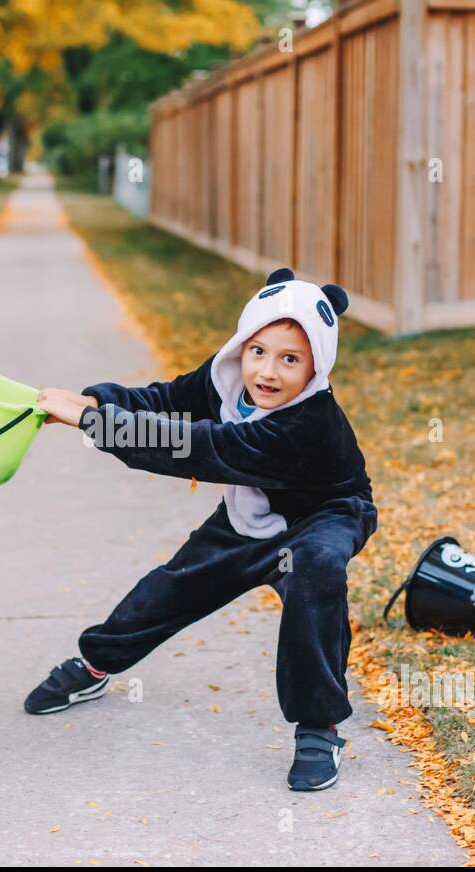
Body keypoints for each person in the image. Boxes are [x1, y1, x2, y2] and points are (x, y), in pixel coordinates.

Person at [30, 268, 377, 791]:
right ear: (243, 342)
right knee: (173, 587)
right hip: (250, 513)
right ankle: (96, 662)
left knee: (316, 573)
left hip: (323, 515)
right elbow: (167, 401)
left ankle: (318, 727)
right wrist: (98, 403)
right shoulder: (227, 377)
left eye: (291, 359)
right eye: (258, 350)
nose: (267, 371)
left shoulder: (307, 423)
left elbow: (196, 447)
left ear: (316, 366)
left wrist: (93, 426)